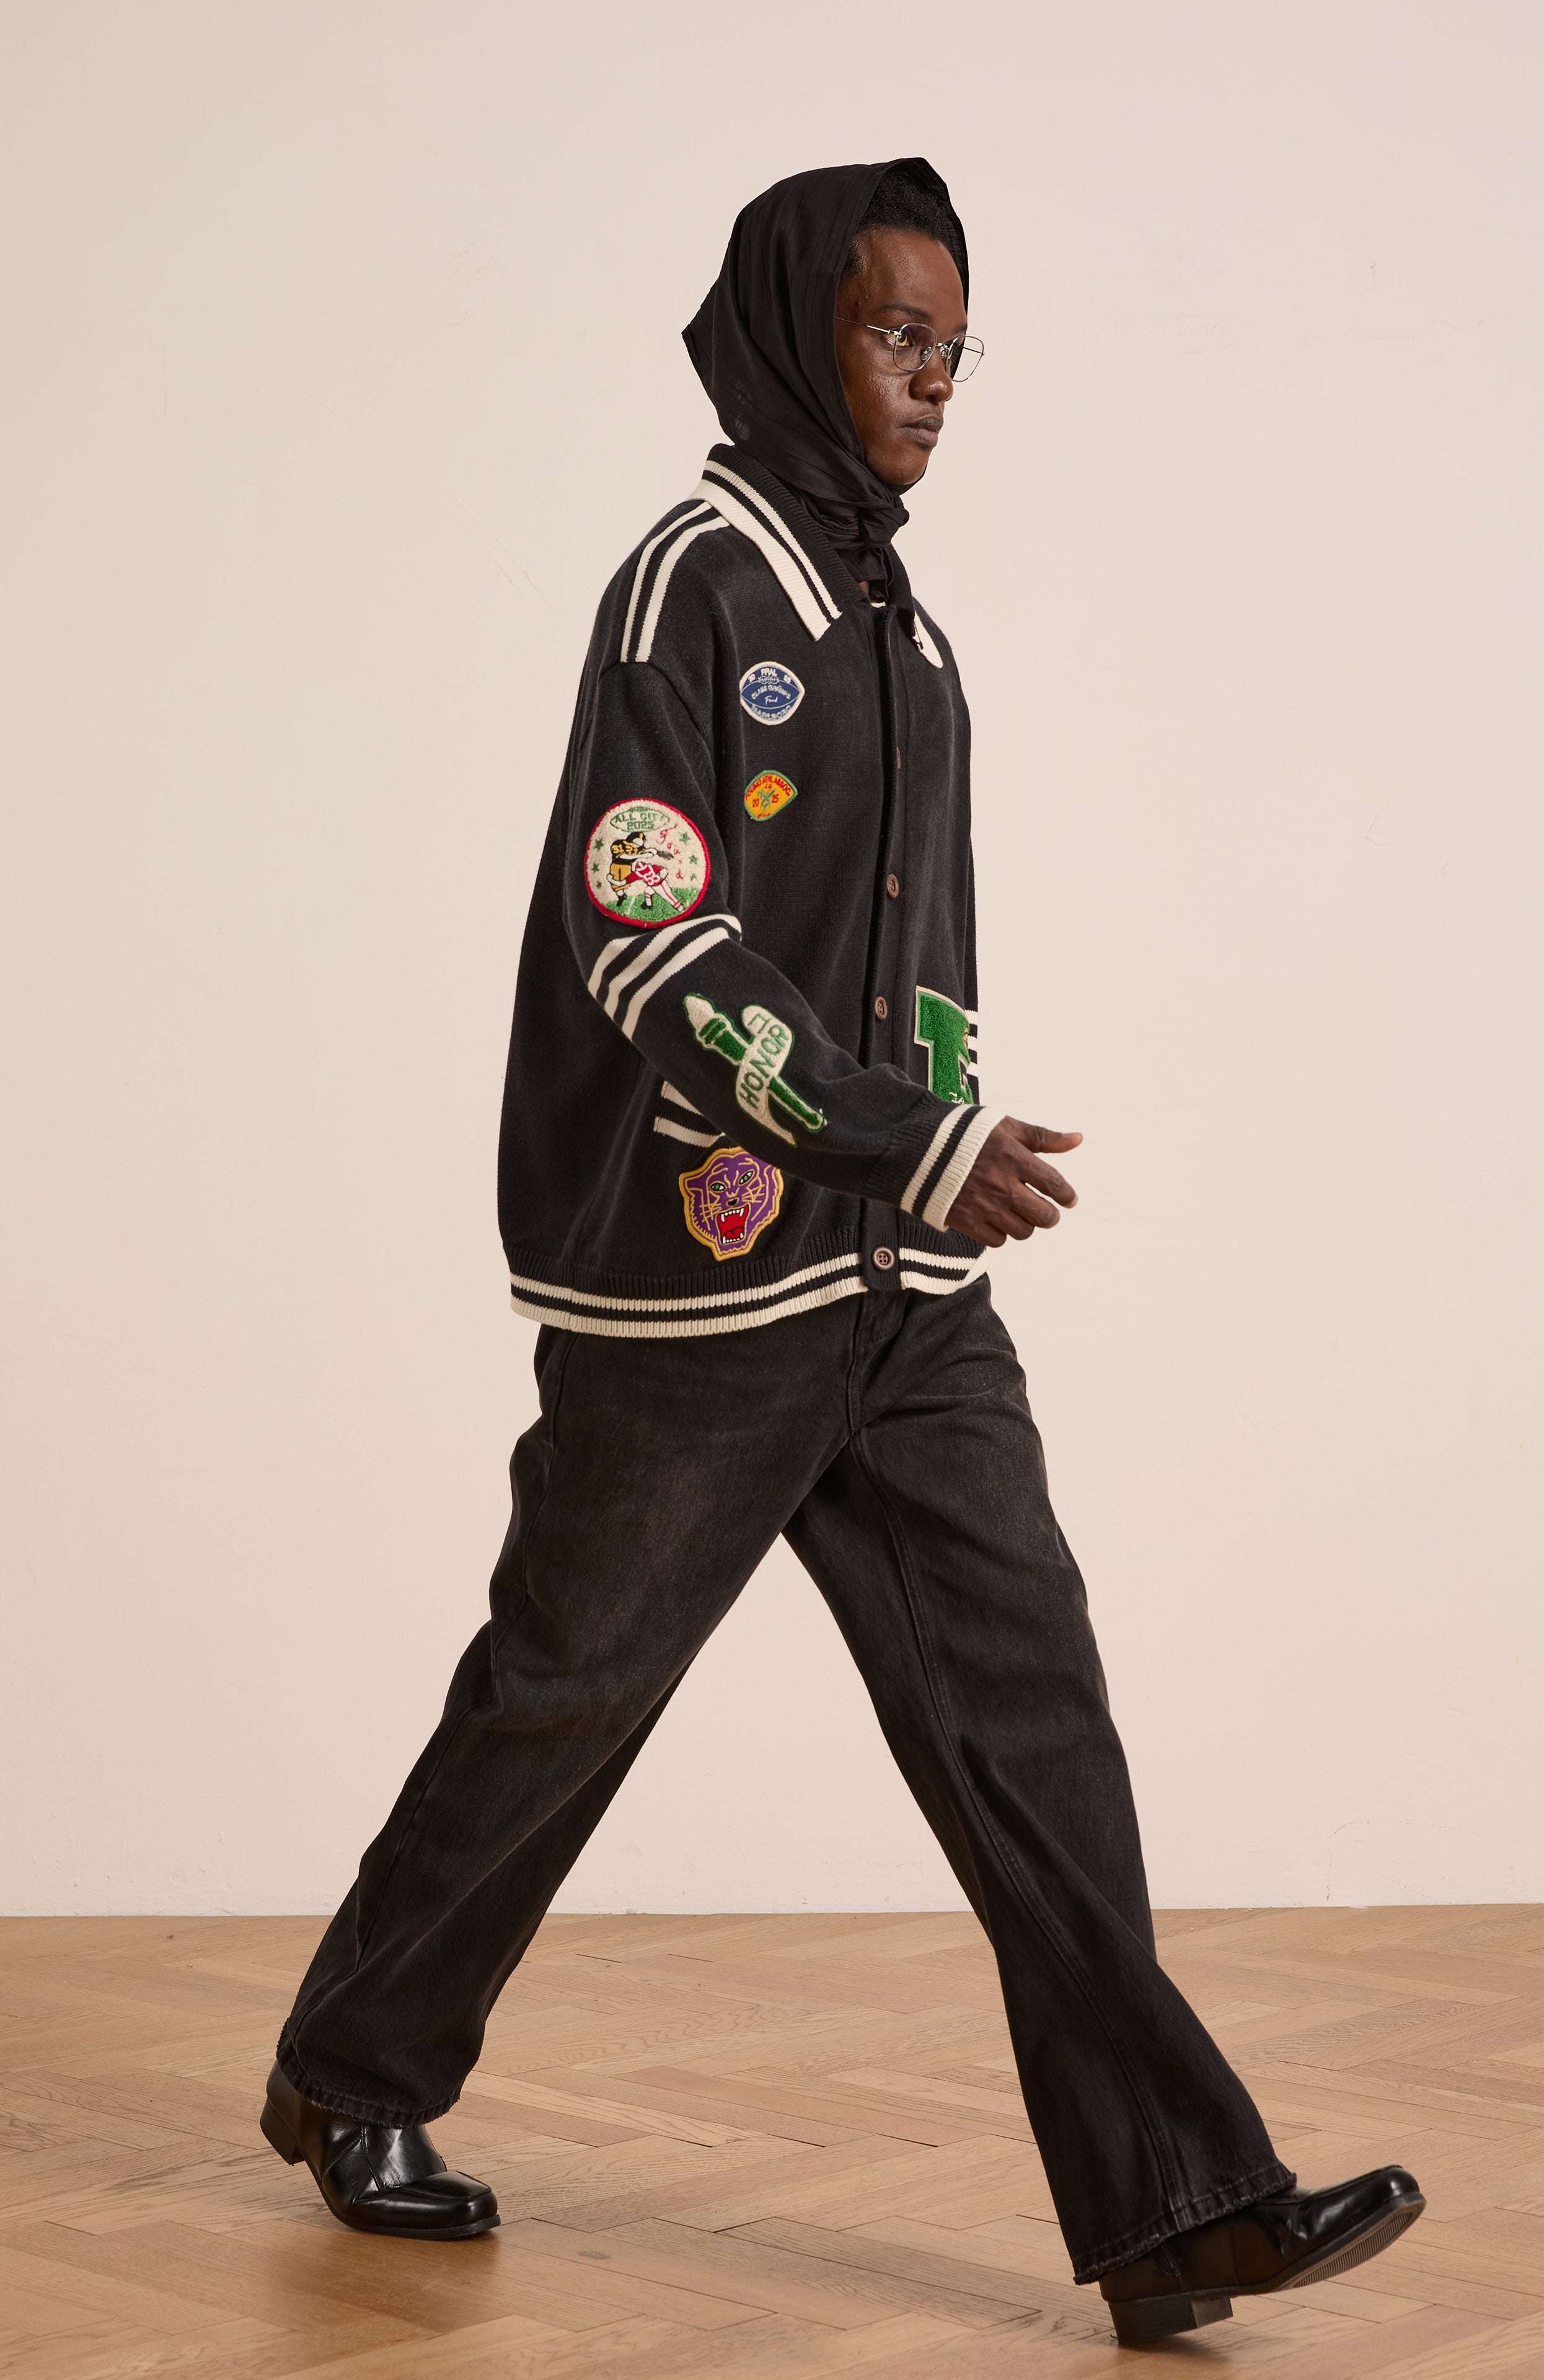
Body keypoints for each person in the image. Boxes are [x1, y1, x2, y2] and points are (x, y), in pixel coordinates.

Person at [262, 158, 1423, 2345]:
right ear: (802, 328)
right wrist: (907, 1139)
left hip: (904, 1300)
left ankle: (1176, 2201)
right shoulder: (691, 587)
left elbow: (928, 962)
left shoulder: (913, 631)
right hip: (698, 1301)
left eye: (960, 350)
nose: (936, 384)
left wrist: (939, 1150)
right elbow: (650, 938)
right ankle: (351, 2077)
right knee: (564, 1699)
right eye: (902, 338)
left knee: (1033, 1719)